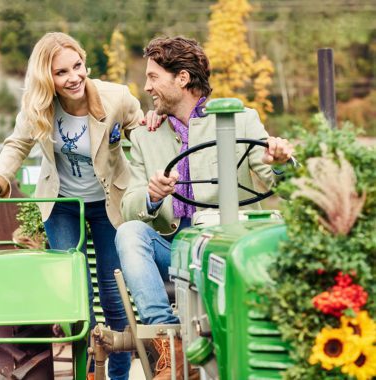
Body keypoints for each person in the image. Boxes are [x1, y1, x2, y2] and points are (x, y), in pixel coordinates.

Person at [0, 32, 144, 380]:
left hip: (110, 202)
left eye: (77, 66)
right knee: (74, 293)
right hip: (62, 204)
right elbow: (17, 146)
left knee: (113, 291)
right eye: (61, 73)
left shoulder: (116, 97)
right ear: (48, 78)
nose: (74, 77)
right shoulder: (38, 106)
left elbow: (145, 135)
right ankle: (88, 371)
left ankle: (118, 375)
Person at [115, 36, 294, 380]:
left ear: (182, 78)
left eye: (153, 77)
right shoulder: (145, 135)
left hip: (224, 241)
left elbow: (278, 182)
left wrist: (282, 161)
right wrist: (153, 195)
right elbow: (129, 205)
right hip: (175, 244)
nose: (146, 86)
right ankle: (170, 344)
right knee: (129, 232)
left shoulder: (241, 120)